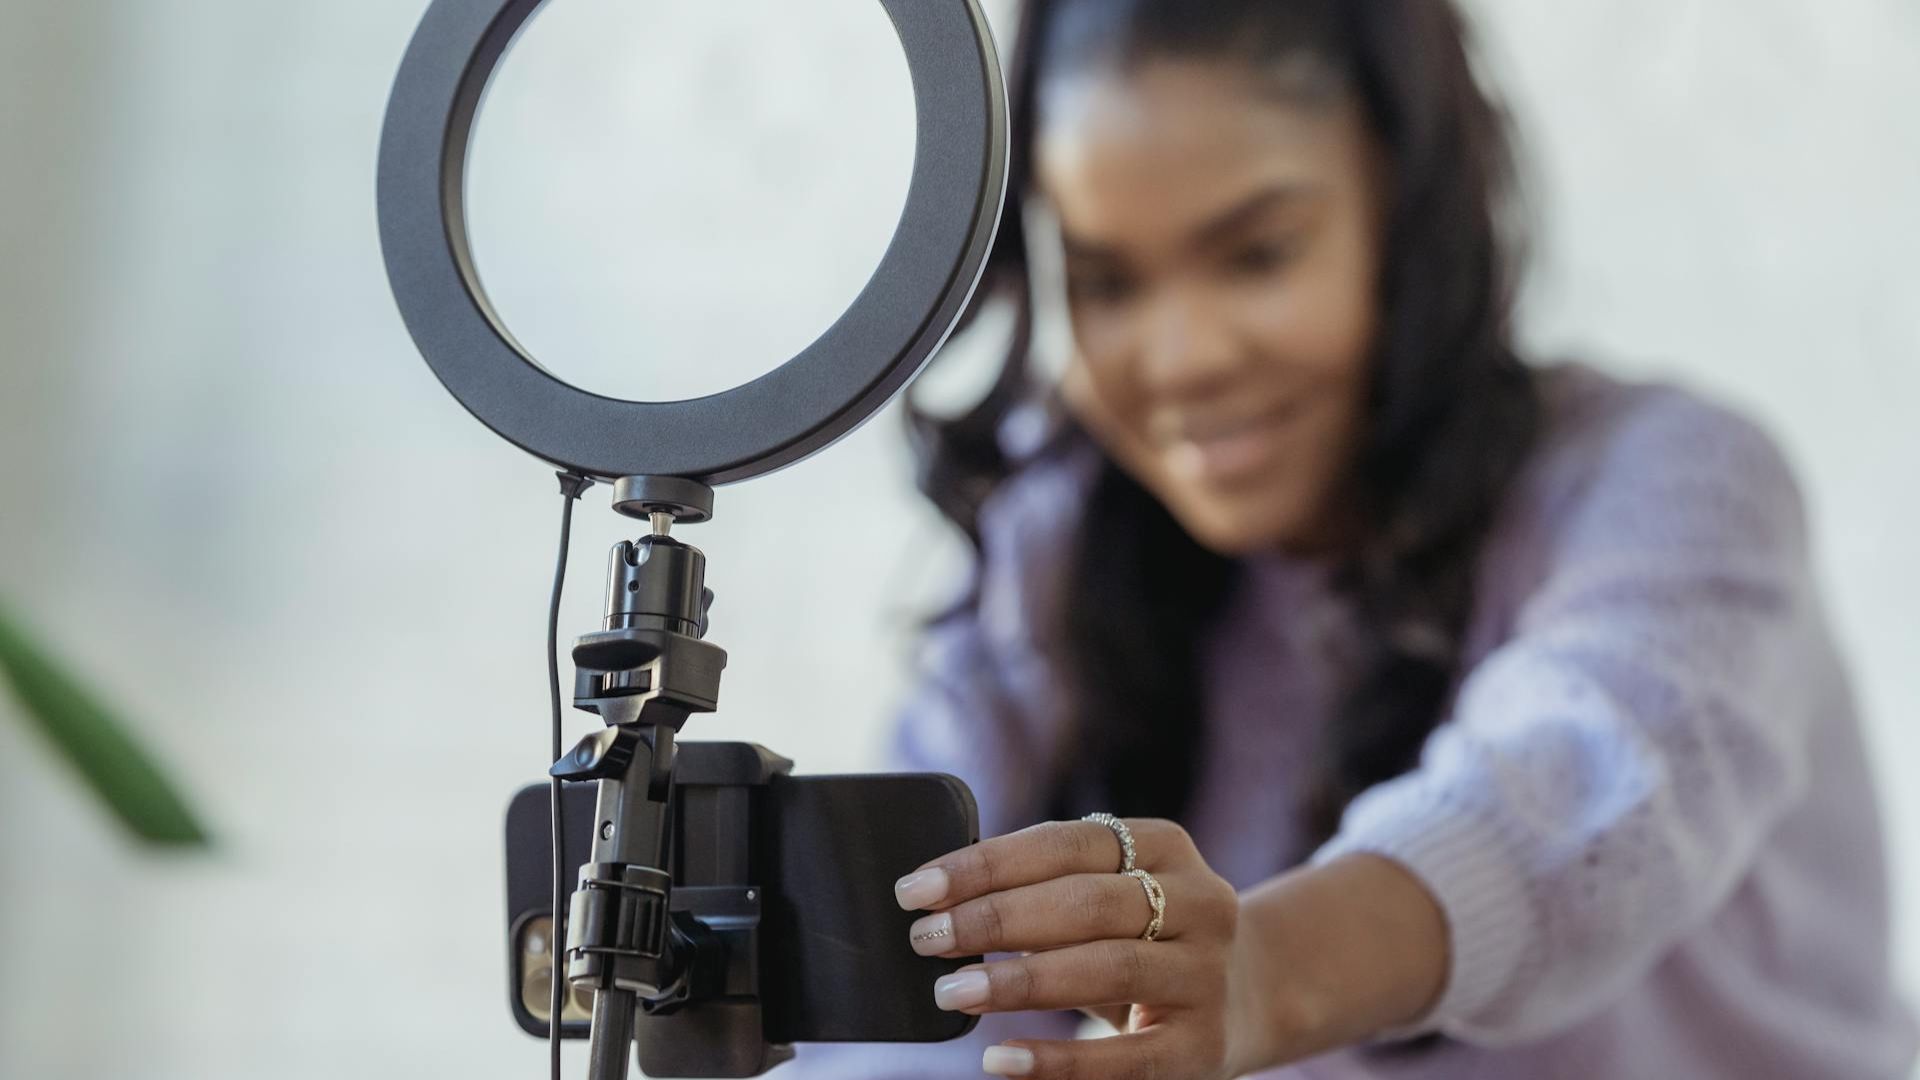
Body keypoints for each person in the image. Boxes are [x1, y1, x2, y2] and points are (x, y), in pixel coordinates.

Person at [790, 1, 1916, 1077]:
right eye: (1107, 283)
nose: (1182, 358)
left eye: (1259, 254)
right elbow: (900, 1014)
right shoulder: (1054, 550)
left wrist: (1260, 977)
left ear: (1407, 209)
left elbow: (1572, 797)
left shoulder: (1675, 485)